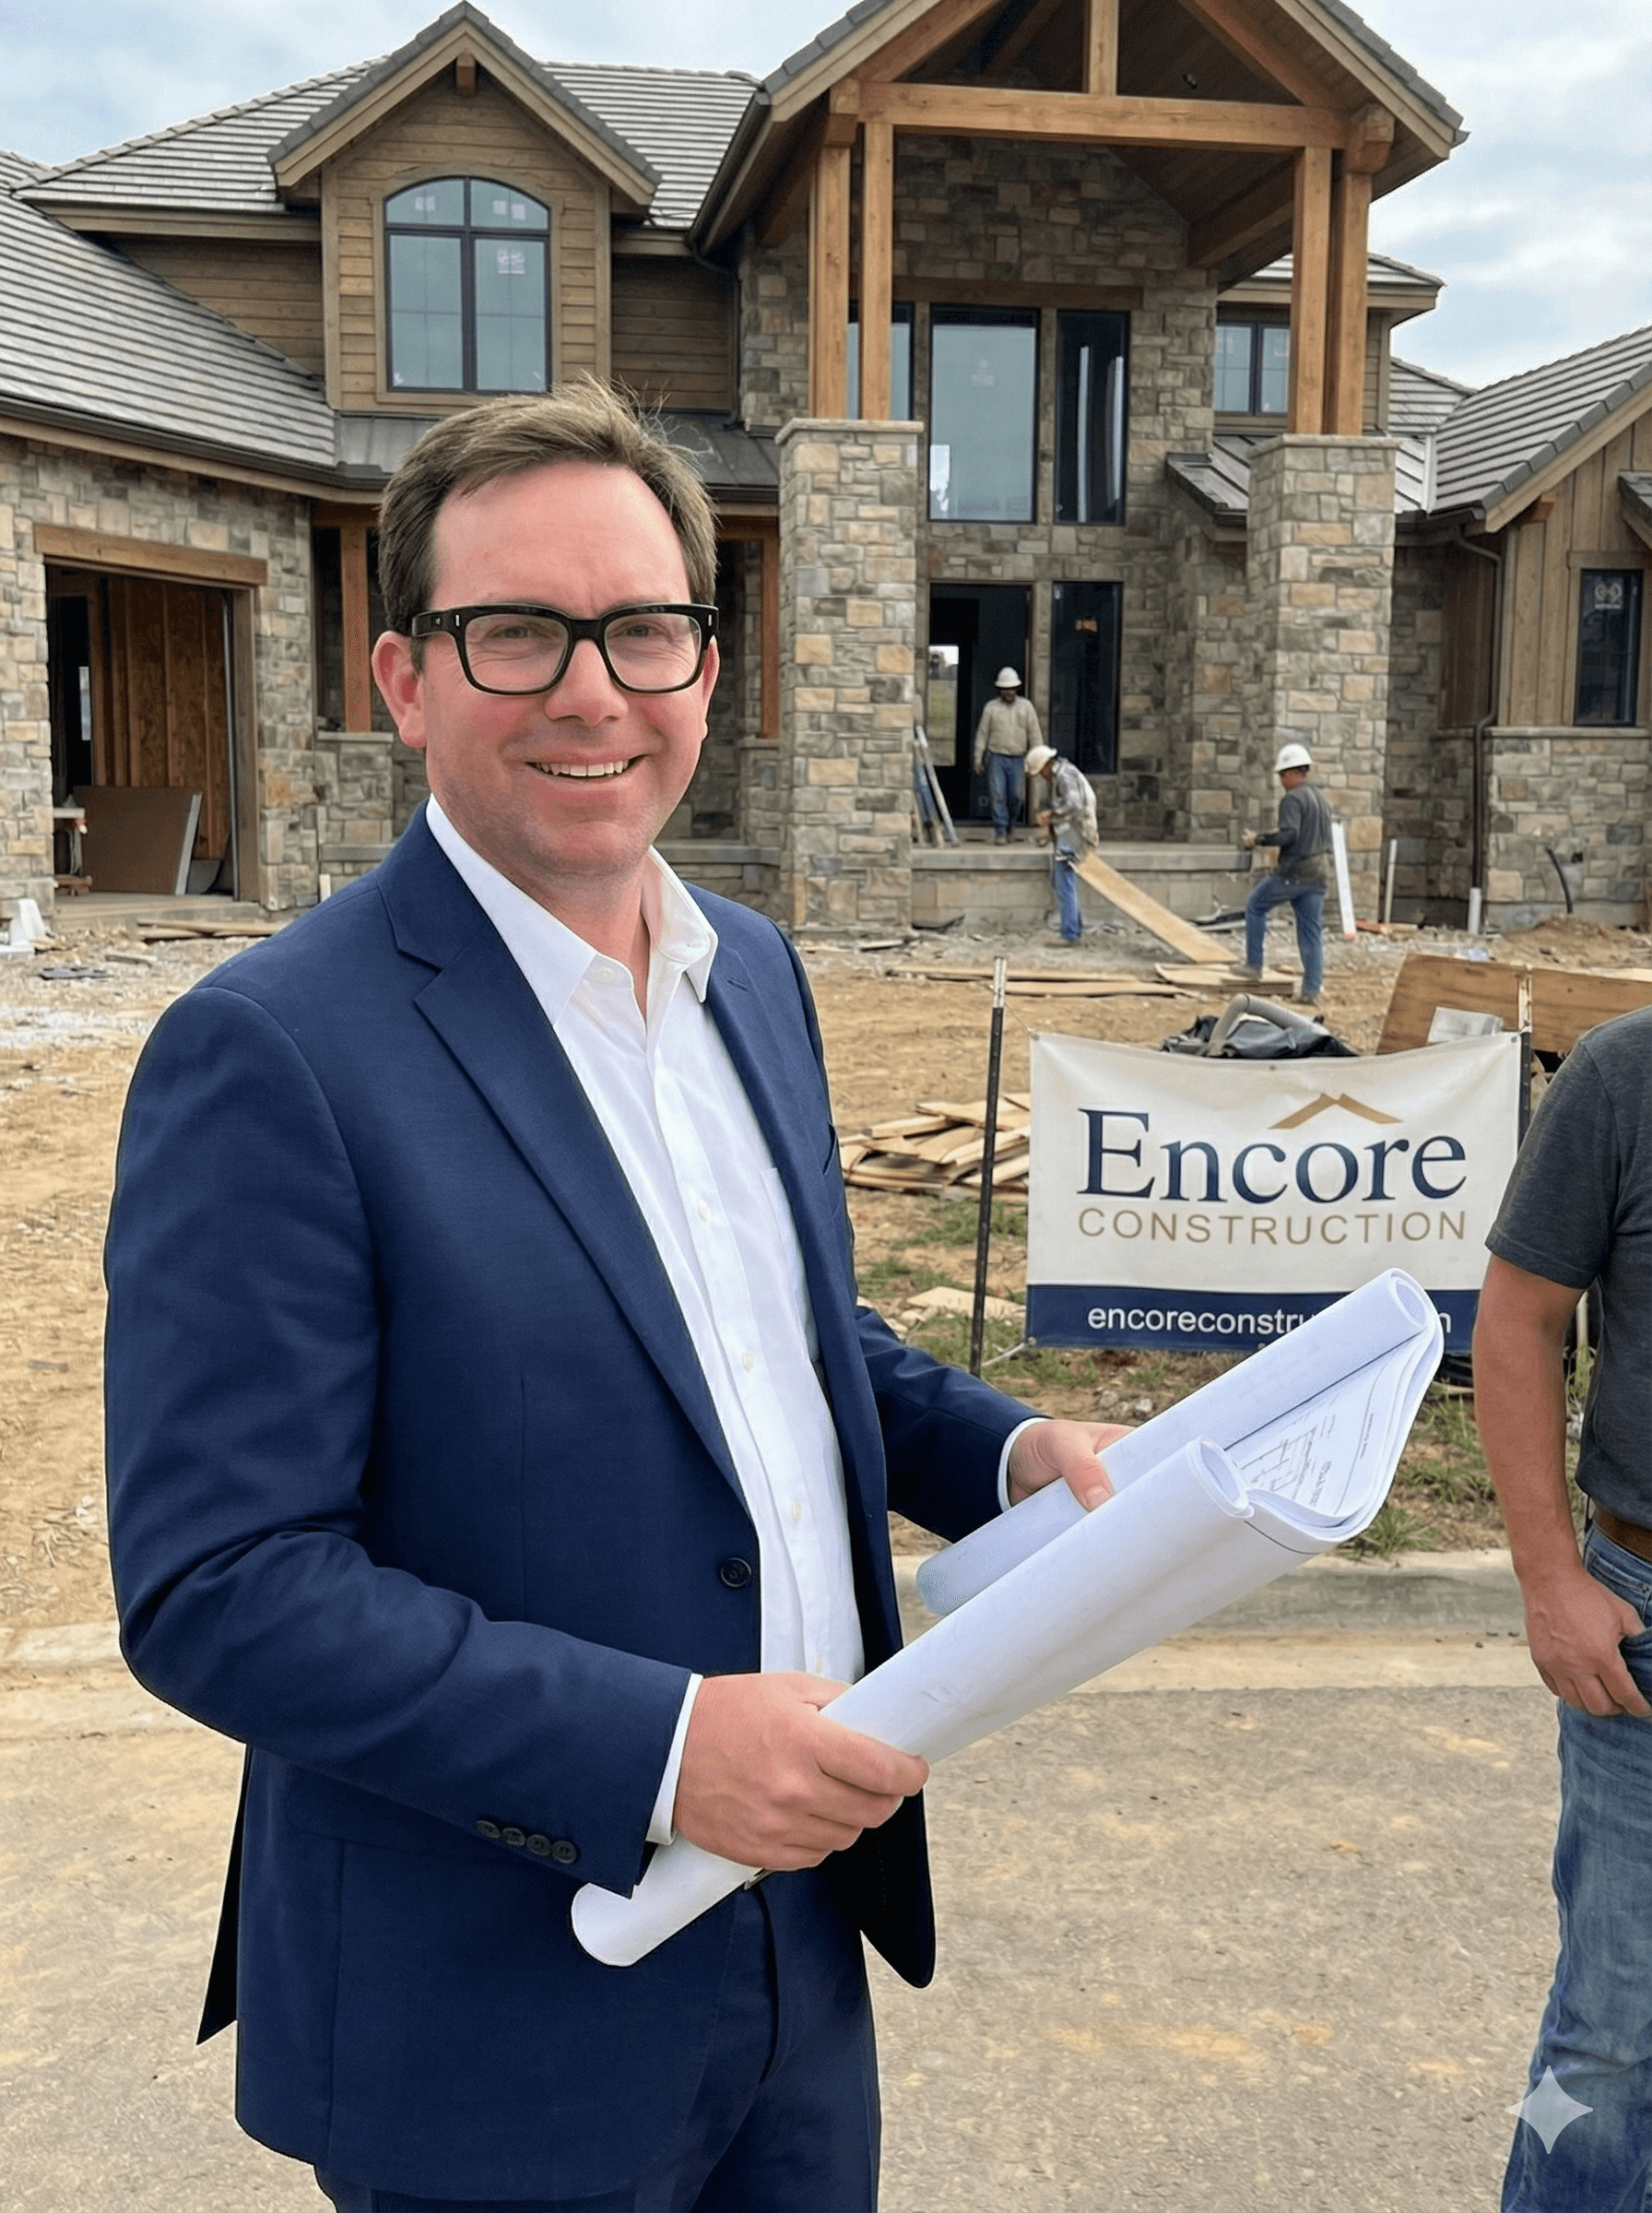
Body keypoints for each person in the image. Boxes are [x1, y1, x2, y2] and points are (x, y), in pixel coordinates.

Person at [103, 383, 1124, 2213]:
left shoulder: (754, 976)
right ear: (406, 678)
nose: (593, 691)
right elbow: (220, 1588)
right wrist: (656, 1752)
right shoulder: (272, 1051)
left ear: (704, 669)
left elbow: (777, 1339)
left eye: (644, 630)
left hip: (797, 1947)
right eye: (517, 632)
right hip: (486, 2012)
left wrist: (1000, 1450)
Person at [1476, 1010, 1652, 2208]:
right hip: (1641, 1628)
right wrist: (1549, 1578)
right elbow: (1518, 1318)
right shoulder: (1623, 1076)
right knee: (1612, 2037)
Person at [1240, 741, 1332, 1006]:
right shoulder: (1320, 798)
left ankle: (1254, 965)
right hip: (1319, 872)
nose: (1281, 780)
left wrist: (1258, 839)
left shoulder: (1293, 799)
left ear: (1292, 773)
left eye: (1282, 774)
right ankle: (1311, 991)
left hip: (1296, 870)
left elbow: (1290, 835)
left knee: (1256, 905)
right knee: (1310, 931)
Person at [1026, 741, 1098, 943]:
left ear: (1045, 765)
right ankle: (1074, 928)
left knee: (1064, 881)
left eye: (1040, 772)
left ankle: (1070, 933)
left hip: (1077, 833)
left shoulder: (1065, 776)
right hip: (1072, 833)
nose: (1041, 776)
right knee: (1065, 882)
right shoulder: (1061, 775)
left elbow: (1074, 806)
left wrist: (1050, 816)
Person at [972, 665, 1041, 843]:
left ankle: (1010, 824)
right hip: (996, 756)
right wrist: (978, 757)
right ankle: (1000, 830)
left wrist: (1037, 761)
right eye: (1005, 689)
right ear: (999, 689)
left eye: (1012, 688)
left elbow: (1034, 735)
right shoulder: (991, 708)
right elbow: (982, 733)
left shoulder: (1026, 707)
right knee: (998, 795)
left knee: (1017, 797)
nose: (1009, 692)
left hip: (1018, 757)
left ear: (1017, 688)